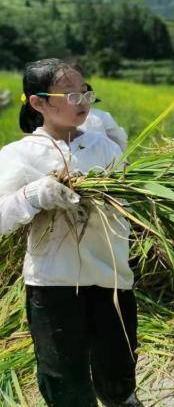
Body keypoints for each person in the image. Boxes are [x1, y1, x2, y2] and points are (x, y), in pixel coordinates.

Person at [0, 59, 141, 407]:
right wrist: (34, 196)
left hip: (111, 279)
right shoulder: (19, 155)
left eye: (85, 92)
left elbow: (130, 202)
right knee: (66, 387)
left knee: (118, 378)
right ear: (39, 103)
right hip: (53, 287)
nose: (82, 101)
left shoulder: (104, 148)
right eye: (70, 94)